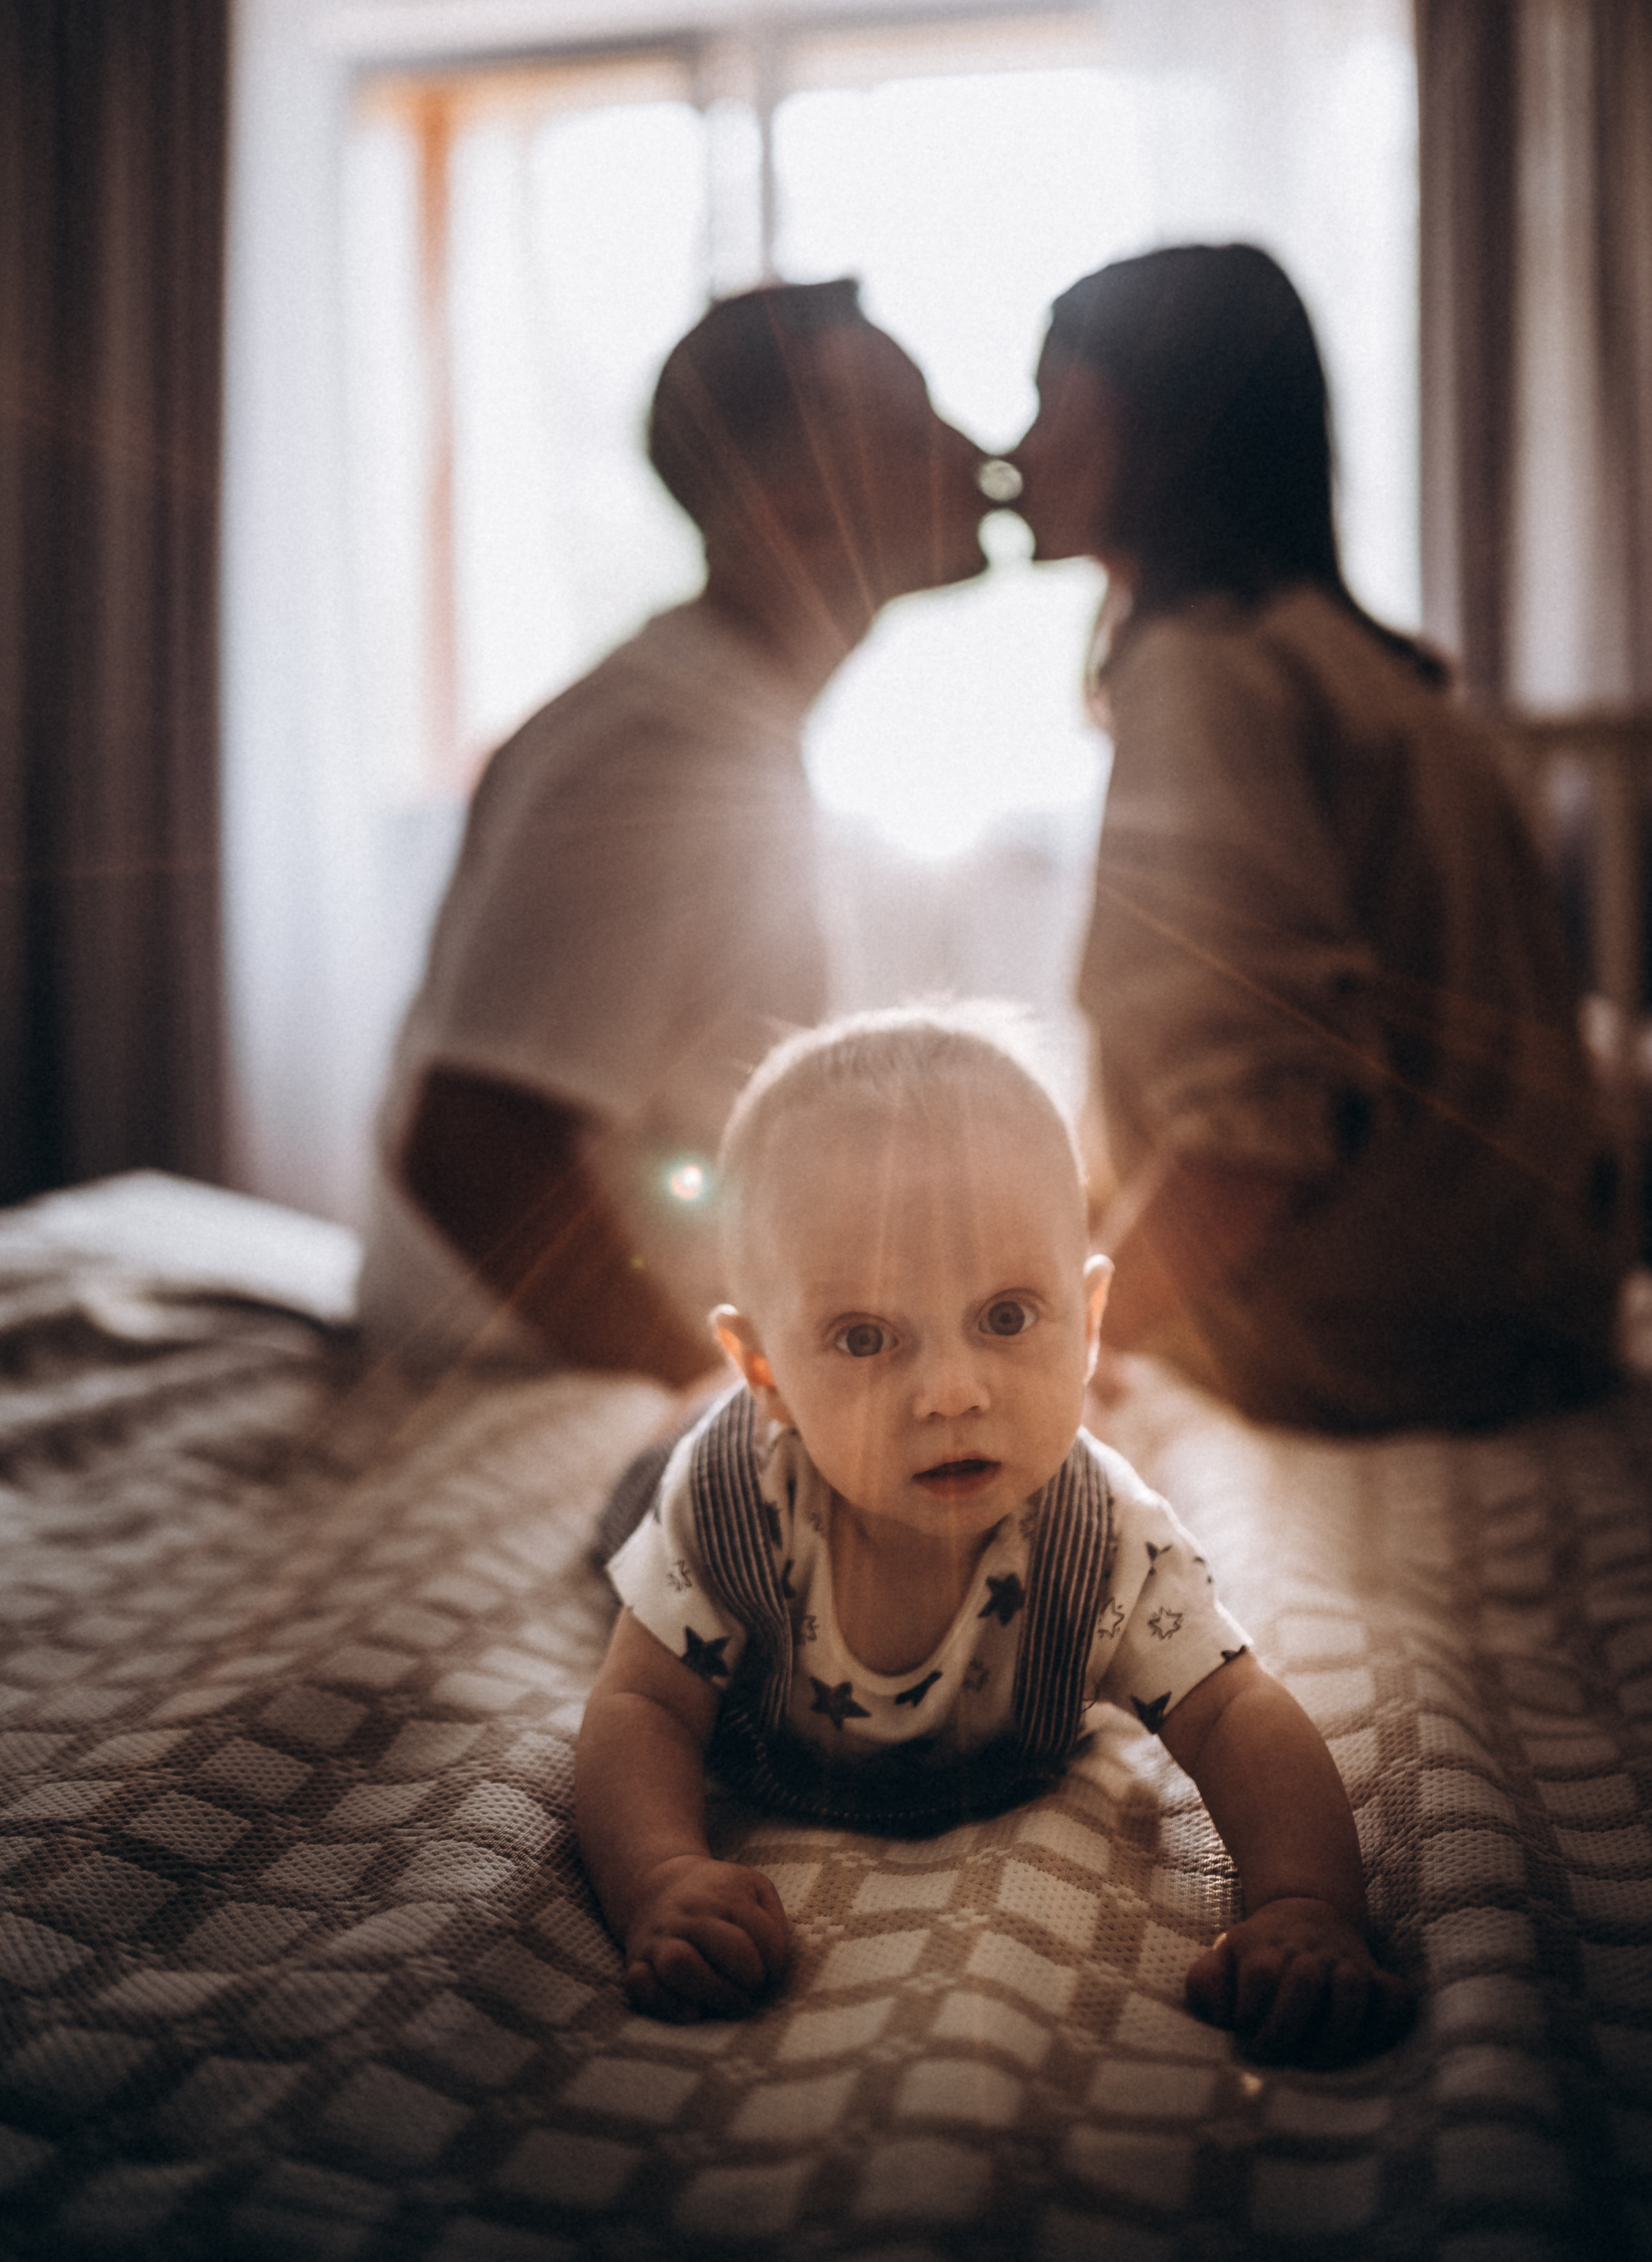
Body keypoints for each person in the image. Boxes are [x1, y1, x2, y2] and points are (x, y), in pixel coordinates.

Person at [577, 1007, 1414, 2066]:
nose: (953, 1392)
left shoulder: (1100, 1539)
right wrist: (661, 1877)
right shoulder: (729, 1508)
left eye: (1008, 1317)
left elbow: (1235, 1709)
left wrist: (1306, 1905)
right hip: (712, 1471)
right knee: (651, 1484)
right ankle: (703, 1395)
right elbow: (642, 1706)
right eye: (865, 1337)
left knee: (1072, 1448)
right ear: (769, 1372)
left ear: (1090, 1320)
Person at [1010, 243, 1625, 1430]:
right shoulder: (1362, 665)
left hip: (1370, 1343)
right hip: (1530, 1312)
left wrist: (1061, 1353)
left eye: (1049, 399)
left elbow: (1251, 1134)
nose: (1021, 448)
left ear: (1154, 423)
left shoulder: (1202, 670)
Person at [358, 281, 989, 1382]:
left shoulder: (725, 719)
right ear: (789, 513)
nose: (976, 455)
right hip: (527, 1375)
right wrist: (724, 1394)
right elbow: (470, 1147)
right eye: (910, 432)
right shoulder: (659, 749)